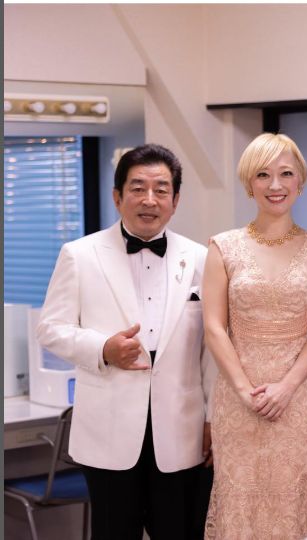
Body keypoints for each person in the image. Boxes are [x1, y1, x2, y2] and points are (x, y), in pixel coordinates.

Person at [37, 144, 216, 539]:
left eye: (161, 190)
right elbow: (50, 328)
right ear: (117, 196)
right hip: (108, 432)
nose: (149, 200)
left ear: (175, 200)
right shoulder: (80, 255)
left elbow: (212, 348)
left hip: (182, 431)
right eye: (137, 188)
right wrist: (103, 349)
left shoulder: (201, 258)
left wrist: (213, 418)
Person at [202, 133, 307, 538]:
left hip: (299, 399)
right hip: (237, 398)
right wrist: (245, 391)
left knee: (296, 500)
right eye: (263, 175)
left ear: (301, 182)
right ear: (249, 183)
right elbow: (214, 327)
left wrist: (286, 387)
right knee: (239, 501)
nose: (275, 185)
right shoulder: (222, 247)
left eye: (286, 174)